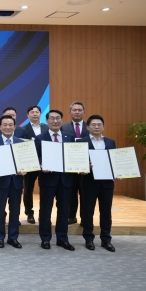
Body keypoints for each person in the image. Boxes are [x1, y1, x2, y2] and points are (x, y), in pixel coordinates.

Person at [34, 109, 76, 251]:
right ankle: (45, 239)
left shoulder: (69, 137)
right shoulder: (40, 138)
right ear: (47, 121)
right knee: (45, 210)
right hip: (48, 179)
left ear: (62, 120)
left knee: (64, 210)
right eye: (52, 118)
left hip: (66, 179)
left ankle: (62, 239)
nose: (55, 121)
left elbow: (73, 156)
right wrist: (41, 165)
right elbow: (35, 158)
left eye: (58, 118)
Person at [80, 114, 117, 252]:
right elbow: (77, 161)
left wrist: (117, 172)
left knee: (106, 212)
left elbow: (114, 161)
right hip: (88, 182)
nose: (96, 127)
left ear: (103, 127)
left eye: (99, 125)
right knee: (87, 212)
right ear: (88, 127)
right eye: (93, 125)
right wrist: (83, 167)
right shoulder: (81, 142)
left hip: (107, 183)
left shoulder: (110, 142)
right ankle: (88, 238)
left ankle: (106, 239)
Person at [0, 114, 25, 249]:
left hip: (16, 181)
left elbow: (25, 162)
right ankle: (0, 237)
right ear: (0, 126)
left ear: (15, 127)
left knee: (15, 210)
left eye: (10, 125)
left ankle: (13, 237)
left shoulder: (21, 143)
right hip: (0, 182)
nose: (7, 127)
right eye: (5, 125)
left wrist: (24, 169)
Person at [61, 101, 89, 225]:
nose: (77, 112)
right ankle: (71, 216)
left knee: (85, 193)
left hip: (85, 166)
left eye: (79, 110)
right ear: (70, 112)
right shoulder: (63, 127)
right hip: (70, 166)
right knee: (71, 193)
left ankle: (84, 218)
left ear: (84, 112)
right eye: (74, 110)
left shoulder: (90, 126)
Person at [21, 105, 49, 224]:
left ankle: (43, 214)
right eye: (32, 112)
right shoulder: (23, 129)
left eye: (37, 112)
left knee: (45, 189)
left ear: (40, 114)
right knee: (28, 189)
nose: (35, 114)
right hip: (29, 163)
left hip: (45, 163)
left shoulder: (47, 128)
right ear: (28, 115)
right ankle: (29, 213)